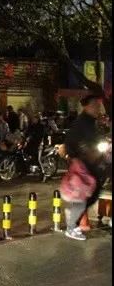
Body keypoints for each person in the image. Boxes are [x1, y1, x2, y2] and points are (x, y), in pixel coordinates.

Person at [62, 95, 107, 240]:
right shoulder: (81, 122)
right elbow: (70, 142)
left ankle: (73, 221)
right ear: (86, 106)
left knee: (92, 194)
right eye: (95, 105)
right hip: (83, 165)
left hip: (91, 164)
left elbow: (96, 138)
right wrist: (76, 156)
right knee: (84, 196)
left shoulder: (92, 122)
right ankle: (71, 227)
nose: (98, 108)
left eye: (98, 105)